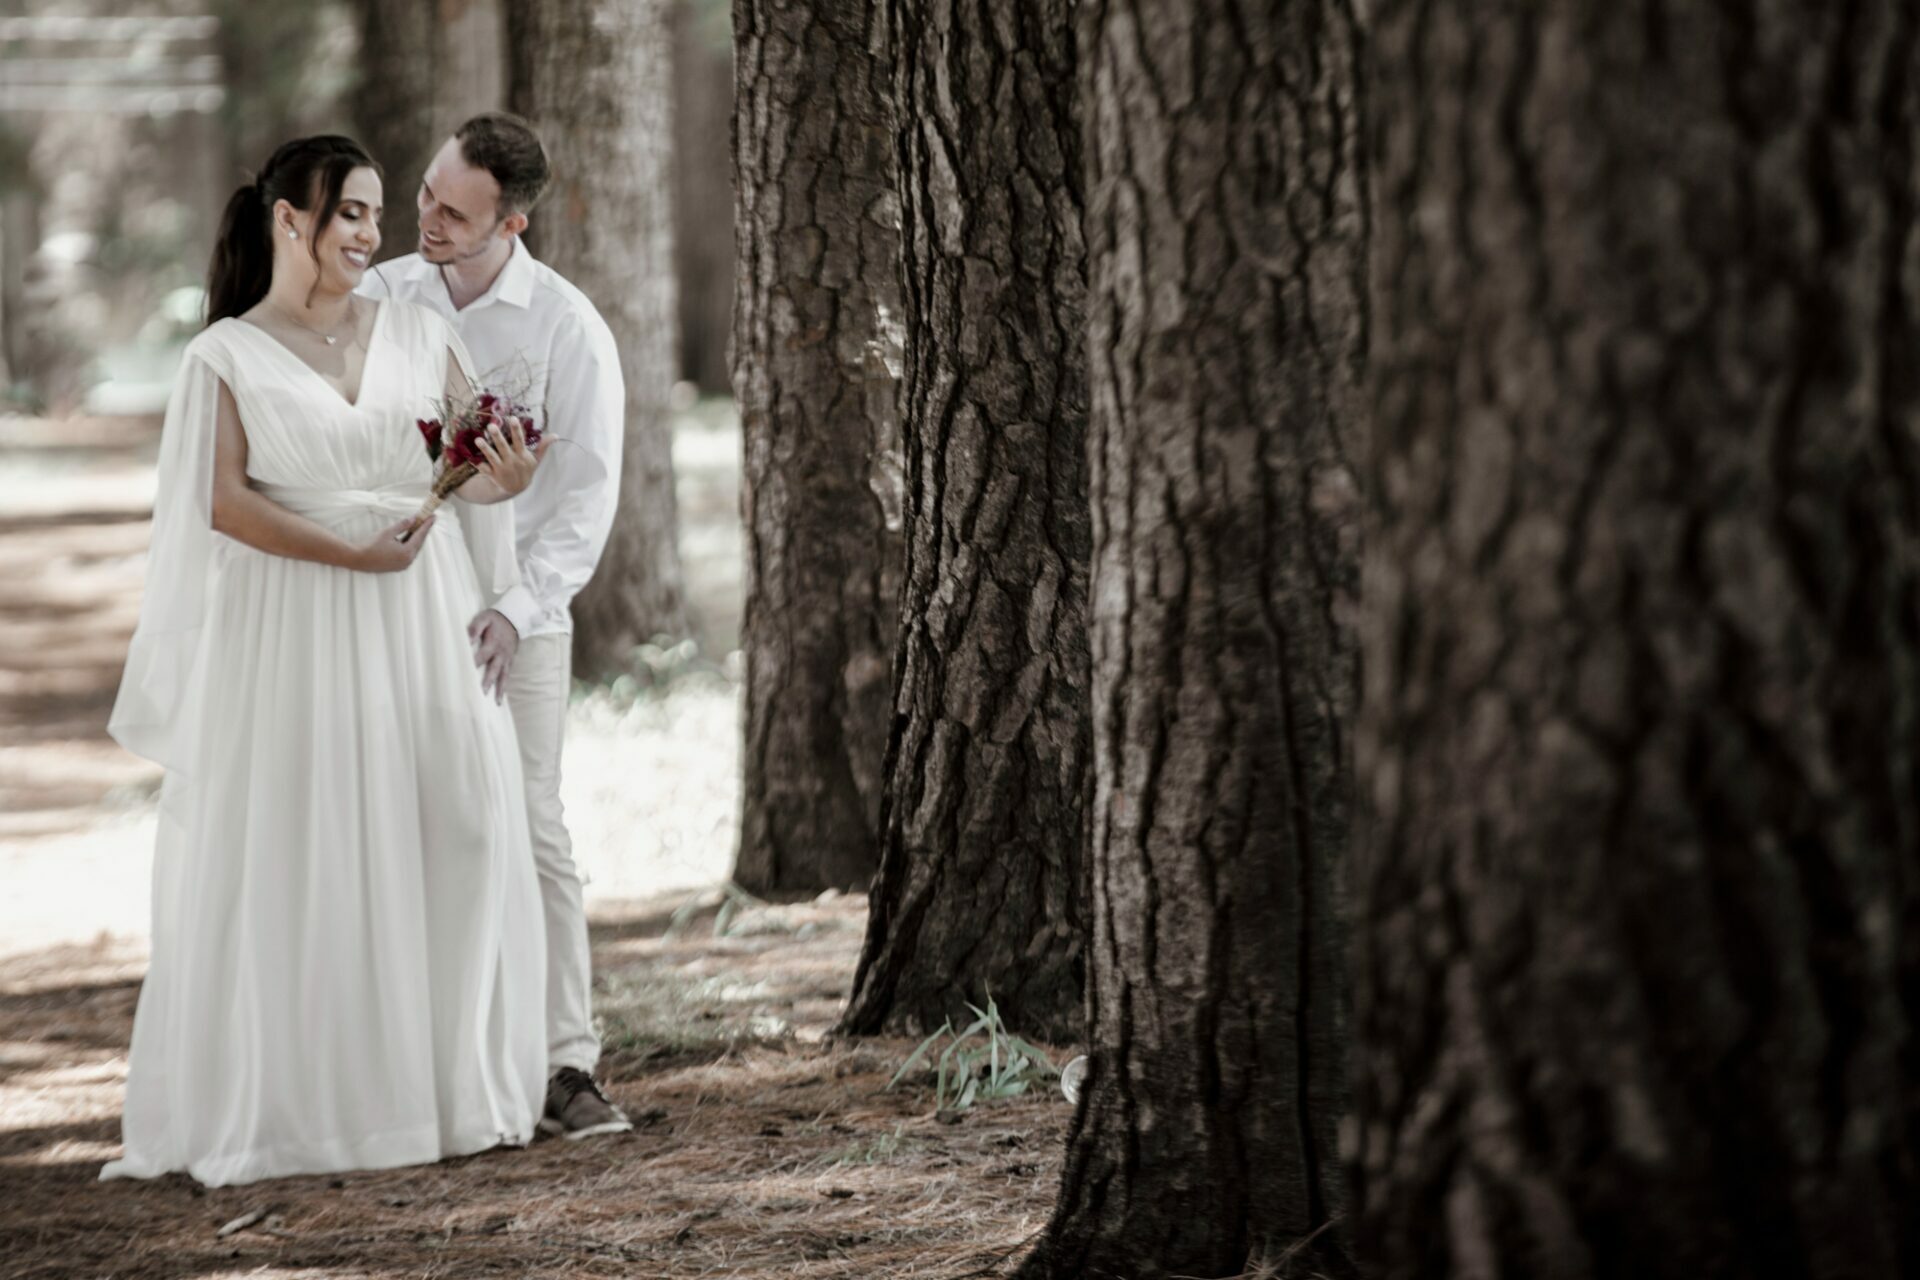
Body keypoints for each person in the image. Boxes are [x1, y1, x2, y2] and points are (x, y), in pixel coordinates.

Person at [104, 135, 549, 1186]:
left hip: (421, 614)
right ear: (288, 219)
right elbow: (223, 502)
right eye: (350, 211)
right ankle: (318, 1106)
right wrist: (347, 553)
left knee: (458, 823)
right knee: (311, 844)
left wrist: (509, 479)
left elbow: (469, 466)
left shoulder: (421, 331)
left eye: (376, 213)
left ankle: (449, 1087)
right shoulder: (224, 356)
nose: (370, 233)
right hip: (295, 621)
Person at [359, 113, 630, 1140]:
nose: (427, 219)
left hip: (516, 612)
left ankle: (565, 1060)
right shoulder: (383, 295)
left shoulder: (567, 327)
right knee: (407, 814)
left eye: (455, 213)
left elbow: (587, 499)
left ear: (511, 224)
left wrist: (518, 610)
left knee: (531, 820)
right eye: (426, 194)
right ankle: (429, 1052)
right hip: (396, 598)